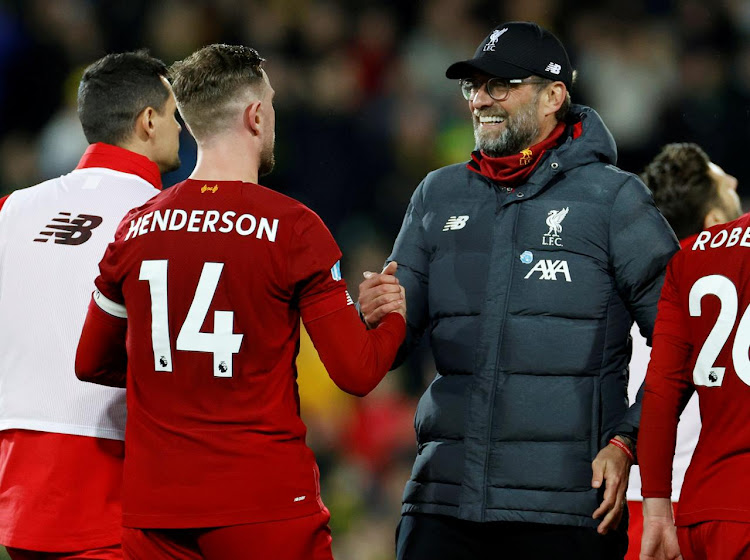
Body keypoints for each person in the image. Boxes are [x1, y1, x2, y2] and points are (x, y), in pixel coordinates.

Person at [357, 21, 679, 559]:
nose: (481, 99)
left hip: (568, 508)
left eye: (500, 85)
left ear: (554, 96)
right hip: (445, 500)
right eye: (474, 86)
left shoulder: (614, 200)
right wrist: (373, 316)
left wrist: (628, 442)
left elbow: (682, 340)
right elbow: (391, 346)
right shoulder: (437, 195)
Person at [74, 44, 406, 560]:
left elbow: (91, 362)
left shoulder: (134, 228)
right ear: (255, 115)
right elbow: (357, 373)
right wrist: (390, 320)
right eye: (270, 106)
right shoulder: (294, 228)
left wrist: (172, 374)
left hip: (156, 511)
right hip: (264, 507)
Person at [0, 51, 181, 559]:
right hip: (111, 478)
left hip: (18, 486)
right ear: (148, 121)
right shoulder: (163, 218)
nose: (180, 130)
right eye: (173, 115)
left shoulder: (11, 209)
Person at [625, 143, 742, 560]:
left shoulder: (623, 290)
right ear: (713, 222)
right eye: (726, 188)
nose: (735, 185)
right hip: (700, 507)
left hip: (633, 510)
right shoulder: (715, 283)